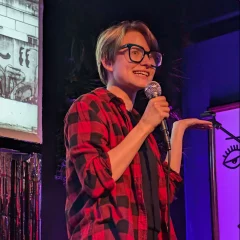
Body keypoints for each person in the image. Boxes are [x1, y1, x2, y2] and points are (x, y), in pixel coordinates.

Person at [64, 20, 212, 240]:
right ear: (107, 60)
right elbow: (95, 178)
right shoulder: (90, 106)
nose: (147, 62)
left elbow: (164, 191)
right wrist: (145, 125)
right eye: (135, 52)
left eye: (151, 56)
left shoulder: (141, 125)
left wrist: (178, 130)